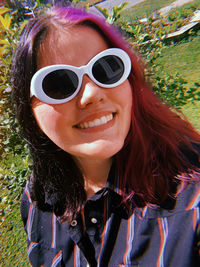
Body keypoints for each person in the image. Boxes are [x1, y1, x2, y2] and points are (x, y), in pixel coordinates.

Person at [11, 5, 200, 267]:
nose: (92, 94)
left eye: (106, 67)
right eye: (58, 84)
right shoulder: (36, 198)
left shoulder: (192, 199)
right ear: (28, 108)